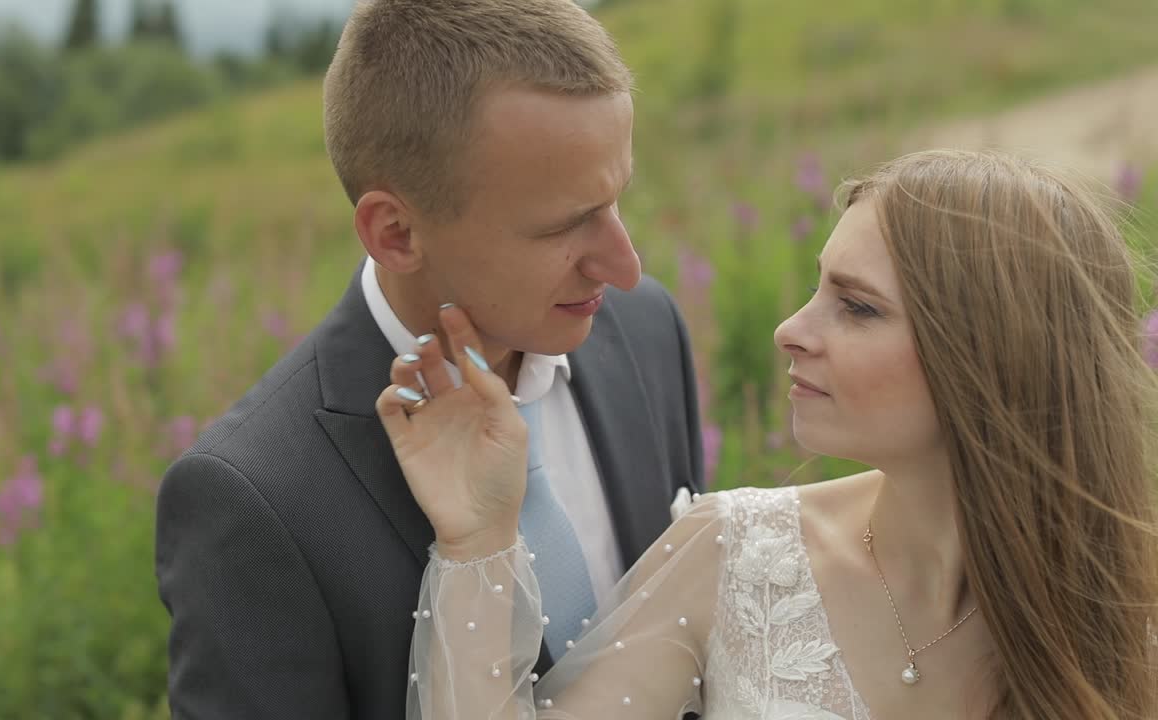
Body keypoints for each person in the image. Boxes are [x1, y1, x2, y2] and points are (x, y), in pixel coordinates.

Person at [379, 149, 1158, 719]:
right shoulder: (736, 555)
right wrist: (479, 540)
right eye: (816, 289)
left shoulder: (1132, 610)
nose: (790, 330)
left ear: (991, 354)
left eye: (857, 307)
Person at [153, 0, 705, 717]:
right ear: (395, 233)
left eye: (616, 200)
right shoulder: (254, 500)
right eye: (565, 225)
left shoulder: (646, 330)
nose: (625, 267)